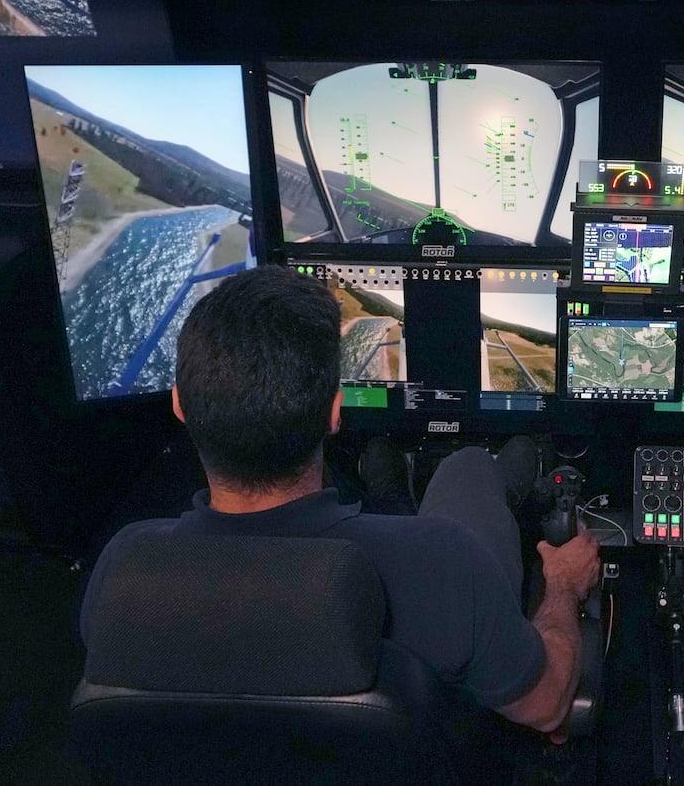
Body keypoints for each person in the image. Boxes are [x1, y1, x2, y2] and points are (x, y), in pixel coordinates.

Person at [79, 265, 601, 737]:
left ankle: (390, 493)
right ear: (334, 413)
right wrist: (562, 588)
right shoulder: (439, 558)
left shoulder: (124, 566)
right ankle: (489, 469)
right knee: (467, 467)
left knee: (393, 486)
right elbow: (547, 706)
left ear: (180, 406)